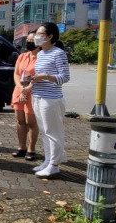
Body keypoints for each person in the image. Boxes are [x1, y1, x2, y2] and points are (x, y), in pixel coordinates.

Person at [30, 22, 71, 178]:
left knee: (53, 132)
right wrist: (32, 80)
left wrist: (46, 77)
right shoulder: (40, 54)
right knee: (44, 131)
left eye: (40, 34)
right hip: (38, 96)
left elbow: (65, 77)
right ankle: (48, 160)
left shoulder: (58, 53)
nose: (36, 37)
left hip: (51, 99)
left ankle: (54, 165)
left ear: (49, 37)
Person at [11, 30, 40, 161]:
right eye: (27, 40)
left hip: (33, 91)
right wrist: (20, 88)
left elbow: (40, 77)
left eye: (32, 40)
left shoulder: (42, 57)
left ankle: (31, 149)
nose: (29, 43)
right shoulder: (22, 56)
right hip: (19, 90)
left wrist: (27, 89)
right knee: (20, 120)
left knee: (31, 122)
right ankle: (21, 147)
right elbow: (16, 74)